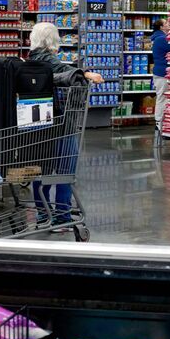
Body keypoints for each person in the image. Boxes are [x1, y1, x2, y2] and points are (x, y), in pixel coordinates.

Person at [26, 22, 104, 225]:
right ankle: (62, 214)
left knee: (40, 168)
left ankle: (43, 212)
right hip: (61, 123)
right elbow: (63, 70)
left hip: (39, 123)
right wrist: (86, 74)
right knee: (65, 168)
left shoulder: (30, 59)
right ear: (53, 40)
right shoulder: (48, 59)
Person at [150, 18, 170, 130]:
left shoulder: (157, 37)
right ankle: (159, 122)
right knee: (162, 97)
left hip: (161, 72)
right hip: (163, 73)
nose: (169, 24)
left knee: (162, 97)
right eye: (166, 23)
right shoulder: (161, 39)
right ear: (161, 27)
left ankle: (162, 122)